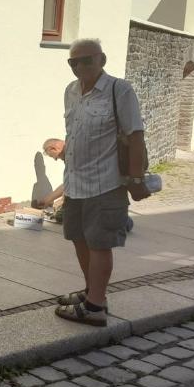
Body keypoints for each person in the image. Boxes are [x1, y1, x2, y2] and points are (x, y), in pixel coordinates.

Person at [55, 39, 148, 326]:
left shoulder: (119, 90)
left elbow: (135, 136)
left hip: (105, 183)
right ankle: (91, 292)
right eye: (73, 62)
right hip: (75, 182)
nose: (79, 66)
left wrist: (136, 179)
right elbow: (73, 132)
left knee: (99, 243)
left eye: (86, 60)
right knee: (79, 239)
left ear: (102, 59)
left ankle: (95, 307)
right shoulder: (71, 92)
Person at [32, 138, 133, 232]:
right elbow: (68, 183)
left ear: (54, 148)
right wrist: (46, 201)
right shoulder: (70, 155)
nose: (56, 159)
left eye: (54, 157)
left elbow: (74, 183)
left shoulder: (75, 154)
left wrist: (62, 200)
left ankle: (122, 220)